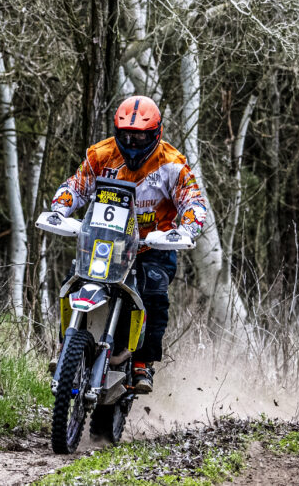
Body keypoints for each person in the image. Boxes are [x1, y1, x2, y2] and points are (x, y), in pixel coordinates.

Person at [50, 95, 207, 393]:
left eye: (140, 137)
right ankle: (66, 346)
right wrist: (61, 208)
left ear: (155, 134)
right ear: (116, 132)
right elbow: (75, 186)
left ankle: (142, 363)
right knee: (73, 280)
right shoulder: (101, 155)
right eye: (126, 136)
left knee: (154, 293)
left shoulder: (172, 164)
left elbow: (194, 201)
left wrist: (187, 228)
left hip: (152, 247)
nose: (132, 143)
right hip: (105, 242)